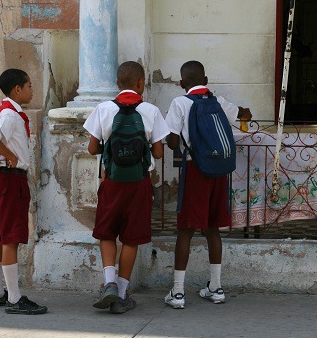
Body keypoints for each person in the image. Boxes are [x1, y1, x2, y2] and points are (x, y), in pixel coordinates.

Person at [163, 60, 252, 309]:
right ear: (205, 80)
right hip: (219, 171)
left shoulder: (180, 103)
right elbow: (243, 114)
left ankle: (178, 292)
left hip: (194, 169)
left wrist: (176, 138)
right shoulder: (218, 101)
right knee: (213, 228)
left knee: (186, 229)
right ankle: (216, 287)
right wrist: (246, 113)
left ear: (182, 84)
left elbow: (171, 142)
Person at [83, 61, 169, 314]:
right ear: (141, 83)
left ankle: (108, 282)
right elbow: (159, 152)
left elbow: (91, 148)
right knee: (131, 238)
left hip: (112, 181)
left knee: (107, 232)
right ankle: (121, 292)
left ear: (118, 84)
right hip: (139, 183)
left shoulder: (104, 108)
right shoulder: (151, 110)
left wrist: (108, 148)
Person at [0, 68, 48, 315]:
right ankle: (14, 298)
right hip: (11, 180)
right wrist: (10, 155)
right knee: (11, 238)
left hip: (4, 181)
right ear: (16, 90)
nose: (32, 90)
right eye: (29, 85)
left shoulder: (8, 112)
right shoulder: (10, 116)